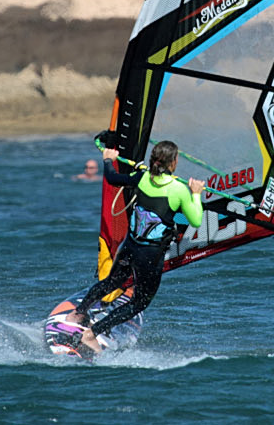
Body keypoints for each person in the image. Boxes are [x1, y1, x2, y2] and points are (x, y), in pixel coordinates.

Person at [65, 141, 204, 352]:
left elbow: (112, 178)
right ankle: (91, 334)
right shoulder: (179, 190)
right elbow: (196, 219)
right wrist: (195, 193)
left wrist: (108, 160)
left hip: (131, 246)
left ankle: (78, 312)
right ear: (173, 163)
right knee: (139, 302)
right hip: (150, 255)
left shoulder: (142, 178)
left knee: (112, 282)